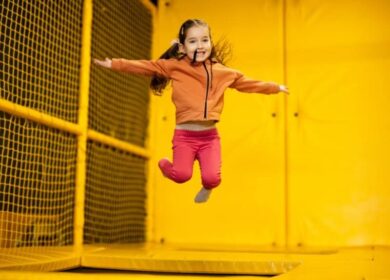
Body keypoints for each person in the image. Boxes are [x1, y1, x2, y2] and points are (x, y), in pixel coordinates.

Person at [94, 19, 289, 203]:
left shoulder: (223, 72)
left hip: (209, 137)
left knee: (213, 179)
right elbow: (145, 66)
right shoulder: (174, 67)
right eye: (193, 41)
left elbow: (248, 84)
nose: (200, 45)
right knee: (181, 176)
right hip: (184, 136)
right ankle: (164, 165)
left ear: (211, 42)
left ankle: (207, 187)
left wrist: (275, 87)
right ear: (182, 47)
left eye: (205, 40)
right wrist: (115, 64)